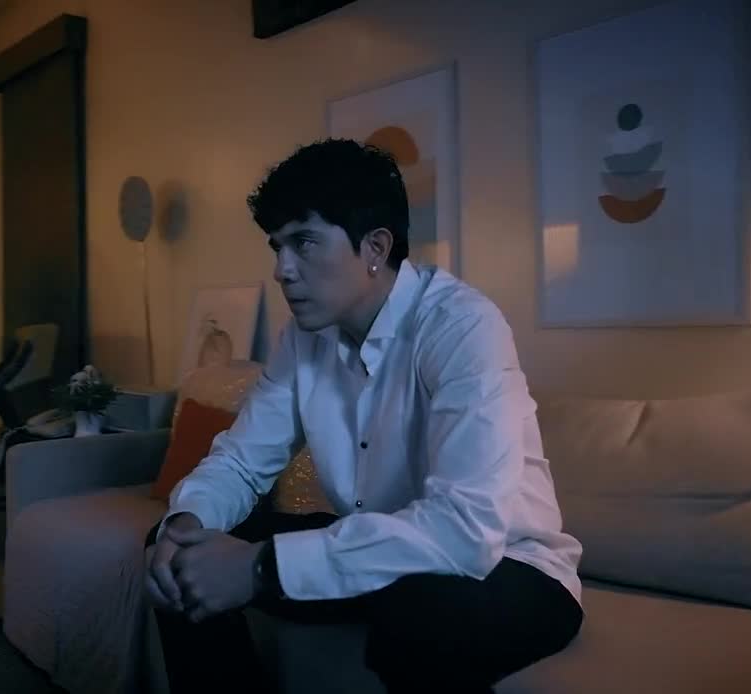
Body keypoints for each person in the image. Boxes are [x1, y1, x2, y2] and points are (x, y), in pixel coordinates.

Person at [143, 138, 583, 693]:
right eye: (277, 246)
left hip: (508, 565)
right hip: (380, 548)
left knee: (419, 615)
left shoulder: (462, 326)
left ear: (375, 246)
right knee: (181, 546)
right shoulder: (303, 339)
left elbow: (465, 530)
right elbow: (240, 461)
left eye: (304, 242)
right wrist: (186, 521)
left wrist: (259, 568)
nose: (282, 270)